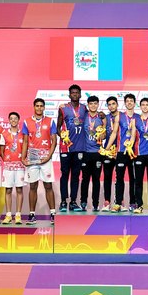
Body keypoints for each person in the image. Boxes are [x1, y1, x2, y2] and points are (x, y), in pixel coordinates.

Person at [21, 97, 57, 225]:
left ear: (44, 107)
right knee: (33, 186)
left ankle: (53, 213)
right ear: (34, 107)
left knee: (48, 186)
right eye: (37, 106)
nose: (39, 108)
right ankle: (32, 215)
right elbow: (25, 141)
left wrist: (48, 156)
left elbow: (54, 141)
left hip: (45, 157)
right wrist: (22, 157)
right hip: (32, 157)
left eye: (41, 106)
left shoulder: (50, 121)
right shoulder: (26, 122)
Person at [59, 84, 86, 212]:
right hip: (66, 148)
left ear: (80, 94)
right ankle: (64, 201)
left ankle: (74, 201)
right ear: (69, 95)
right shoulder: (63, 109)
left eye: (77, 93)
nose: (75, 95)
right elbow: (58, 127)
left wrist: (101, 114)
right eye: (73, 93)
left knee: (75, 175)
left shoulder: (85, 109)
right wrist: (63, 136)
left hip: (80, 148)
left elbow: (93, 117)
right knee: (64, 174)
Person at [112, 93, 138, 212]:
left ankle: (133, 202)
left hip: (134, 153)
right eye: (127, 101)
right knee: (119, 178)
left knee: (134, 178)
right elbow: (114, 133)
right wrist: (107, 148)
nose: (129, 103)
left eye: (131, 101)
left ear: (134, 103)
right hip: (121, 152)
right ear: (124, 102)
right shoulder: (119, 116)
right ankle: (118, 203)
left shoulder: (138, 117)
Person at [80, 96, 107, 212]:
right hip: (85, 152)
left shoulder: (101, 117)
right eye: (91, 104)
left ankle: (95, 204)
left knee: (96, 179)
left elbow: (105, 133)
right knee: (85, 179)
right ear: (88, 105)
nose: (93, 106)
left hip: (97, 152)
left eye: (95, 103)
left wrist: (103, 135)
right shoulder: (84, 116)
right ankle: (83, 202)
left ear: (98, 104)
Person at [133, 97, 148, 214]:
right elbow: (133, 136)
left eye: (147, 104)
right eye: (143, 104)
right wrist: (129, 146)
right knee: (138, 181)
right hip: (139, 154)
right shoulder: (135, 119)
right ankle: (139, 205)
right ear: (140, 106)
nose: (145, 106)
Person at [0, 112, 25, 224]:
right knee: (8, 190)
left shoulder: (23, 134)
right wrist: (7, 161)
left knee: (19, 189)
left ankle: (18, 215)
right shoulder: (4, 134)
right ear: (9, 121)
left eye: (15, 118)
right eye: (11, 119)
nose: (13, 120)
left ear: (18, 120)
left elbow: (26, 148)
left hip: (20, 166)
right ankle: (9, 215)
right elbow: (1, 151)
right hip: (8, 166)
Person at [101, 96, 120, 211]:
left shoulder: (122, 117)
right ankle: (107, 201)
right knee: (107, 177)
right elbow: (103, 135)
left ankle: (119, 200)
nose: (112, 106)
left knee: (120, 177)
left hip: (120, 152)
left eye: (113, 104)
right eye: (109, 104)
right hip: (108, 152)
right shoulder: (105, 118)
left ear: (117, 104)